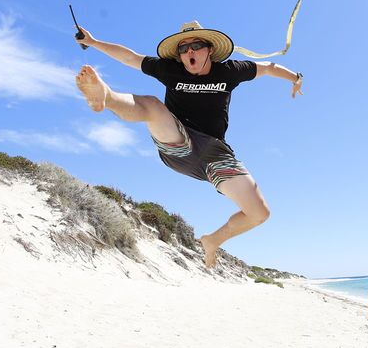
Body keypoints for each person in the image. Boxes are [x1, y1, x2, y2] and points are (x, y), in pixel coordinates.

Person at [74, 21, 303, 268]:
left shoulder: (229, 71)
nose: (189, 52)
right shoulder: (169, 69)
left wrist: (295, 78)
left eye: (196, 46)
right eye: (183, 49)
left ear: (210, 50)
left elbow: (268, 68)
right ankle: (106, 96)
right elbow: (130, 57)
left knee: (259, 213)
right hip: (177, 140)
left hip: (215, 153)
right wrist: (93, 42)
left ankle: (212, 241)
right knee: (152, 106)